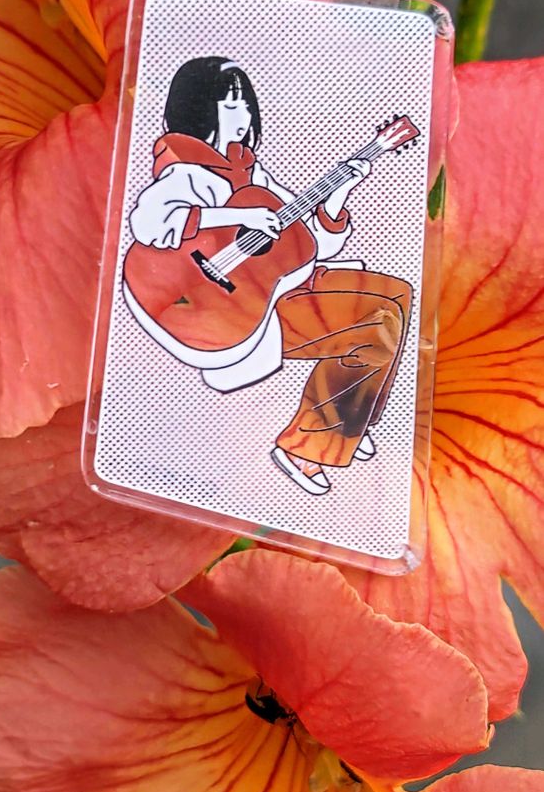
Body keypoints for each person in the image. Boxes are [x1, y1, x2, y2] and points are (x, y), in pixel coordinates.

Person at [128, 56, 412, 495]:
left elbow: (308, 243)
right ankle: (305, 449)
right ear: (198, 108)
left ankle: (352, 418)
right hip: (224, 312)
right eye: (230, 104)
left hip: (266, 289)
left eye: (246, 104)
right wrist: (236, 216)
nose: (242, 116)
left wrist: (338, 194)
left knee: (397, 293)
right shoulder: (185, 170)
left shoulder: (250, 172)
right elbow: (149, 223)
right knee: (377, 327)